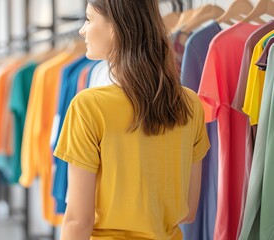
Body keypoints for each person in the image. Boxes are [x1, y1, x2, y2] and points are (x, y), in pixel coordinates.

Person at [53, 1, 210, 239]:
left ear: (115, 26)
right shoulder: (190, 104)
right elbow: (188, 211)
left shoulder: (88, 107)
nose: (82, 30)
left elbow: (77, 221)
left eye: (88, 19)